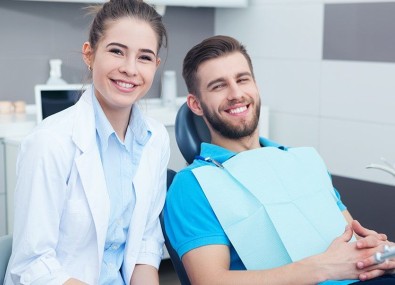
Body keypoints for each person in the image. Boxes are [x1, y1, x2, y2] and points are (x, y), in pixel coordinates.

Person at [163, 35, 395, 285]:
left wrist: (378, 252)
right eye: (219, 86)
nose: (236, 93)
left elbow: (351, 236)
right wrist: (323, 268)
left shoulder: (304, 160)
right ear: (196, 104)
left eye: (243, 80)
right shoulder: (192, 185)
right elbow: (210, 281)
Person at [5, 0, 169, 284]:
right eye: (117, 51)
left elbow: (146, 244)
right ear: (89, 54)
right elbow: (34, 263)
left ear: (155, 66)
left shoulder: (155, 140)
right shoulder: (49, 142)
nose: (130, 69)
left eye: (144, 57)